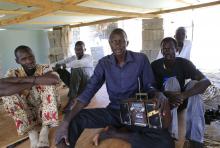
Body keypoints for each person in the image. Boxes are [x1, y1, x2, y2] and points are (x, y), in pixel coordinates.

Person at [55, 28, 174, 148]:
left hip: (136, 111)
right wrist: (65, 122)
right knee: (75, 119)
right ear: (109, 44)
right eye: (113, 41)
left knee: (166, 142)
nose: (117, 44)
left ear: (127, 43)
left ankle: (115, 133)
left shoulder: (140, 59)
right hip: (114, 111)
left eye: (121, 41)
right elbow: (87, 93)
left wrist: (158, 93)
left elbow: (149, 86)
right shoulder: (104, 64)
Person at [151, 37, 211, 148]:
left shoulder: (184, 64)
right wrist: (166, 94)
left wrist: (183, 95)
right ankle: (171, 135)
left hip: (181, 99)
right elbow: (150, 87)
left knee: (194, 84)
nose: (167, 51)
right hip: (166, 103)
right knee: (171, 81)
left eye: (170, 48)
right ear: (161, 50)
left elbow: (206, 81)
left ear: (177, 49)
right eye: (164, 48)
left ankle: (195, 140)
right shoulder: (155, 66)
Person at [0, 45, 60, 148]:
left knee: (49, 85)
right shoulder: (13, 72)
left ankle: (45, 130)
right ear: (17, 61)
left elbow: (54, 79)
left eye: (31, 56)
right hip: (27, 112)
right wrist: (36, 81)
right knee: (8, 96)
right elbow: (1, 88)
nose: (29, 61)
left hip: (45, 109)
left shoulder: (44, 68)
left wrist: (20, 81)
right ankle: (32, 133)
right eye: (23, 59)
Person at [53, 41, 93, 113]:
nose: (78, 51)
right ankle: (75, 92)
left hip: (86, 85)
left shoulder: (88, 57)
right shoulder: (73, 57)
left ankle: (72, 99)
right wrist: (51, 67)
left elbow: (79, 63)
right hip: (76, 84)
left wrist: (64, 66)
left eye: (80, 49)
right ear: (74, 49)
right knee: (58, 68)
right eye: (77, 49)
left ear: (85, 49)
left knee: (76, 68)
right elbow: (61, 62)